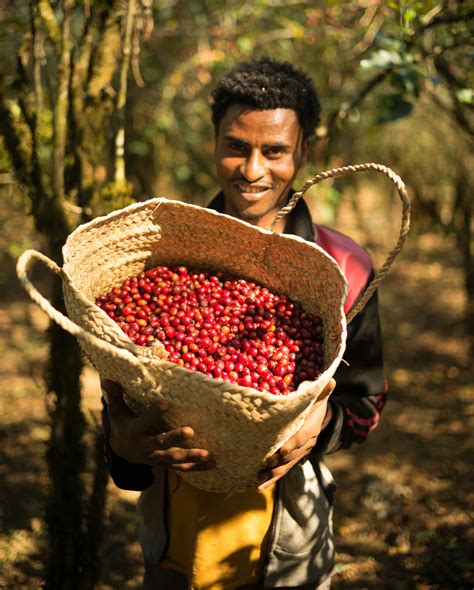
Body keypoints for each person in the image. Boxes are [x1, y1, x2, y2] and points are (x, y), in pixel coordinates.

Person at [101, 58, 387, 590]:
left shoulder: (343, 267)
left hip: (289, 541)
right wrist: (123, 447)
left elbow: (365, 403)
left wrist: (320, 428)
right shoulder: (167, 261)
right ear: (214, 145)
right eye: (236, 146)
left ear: (305, 152)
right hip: (174, 533)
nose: (253, 169)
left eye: (275, 150)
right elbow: (126, 396)